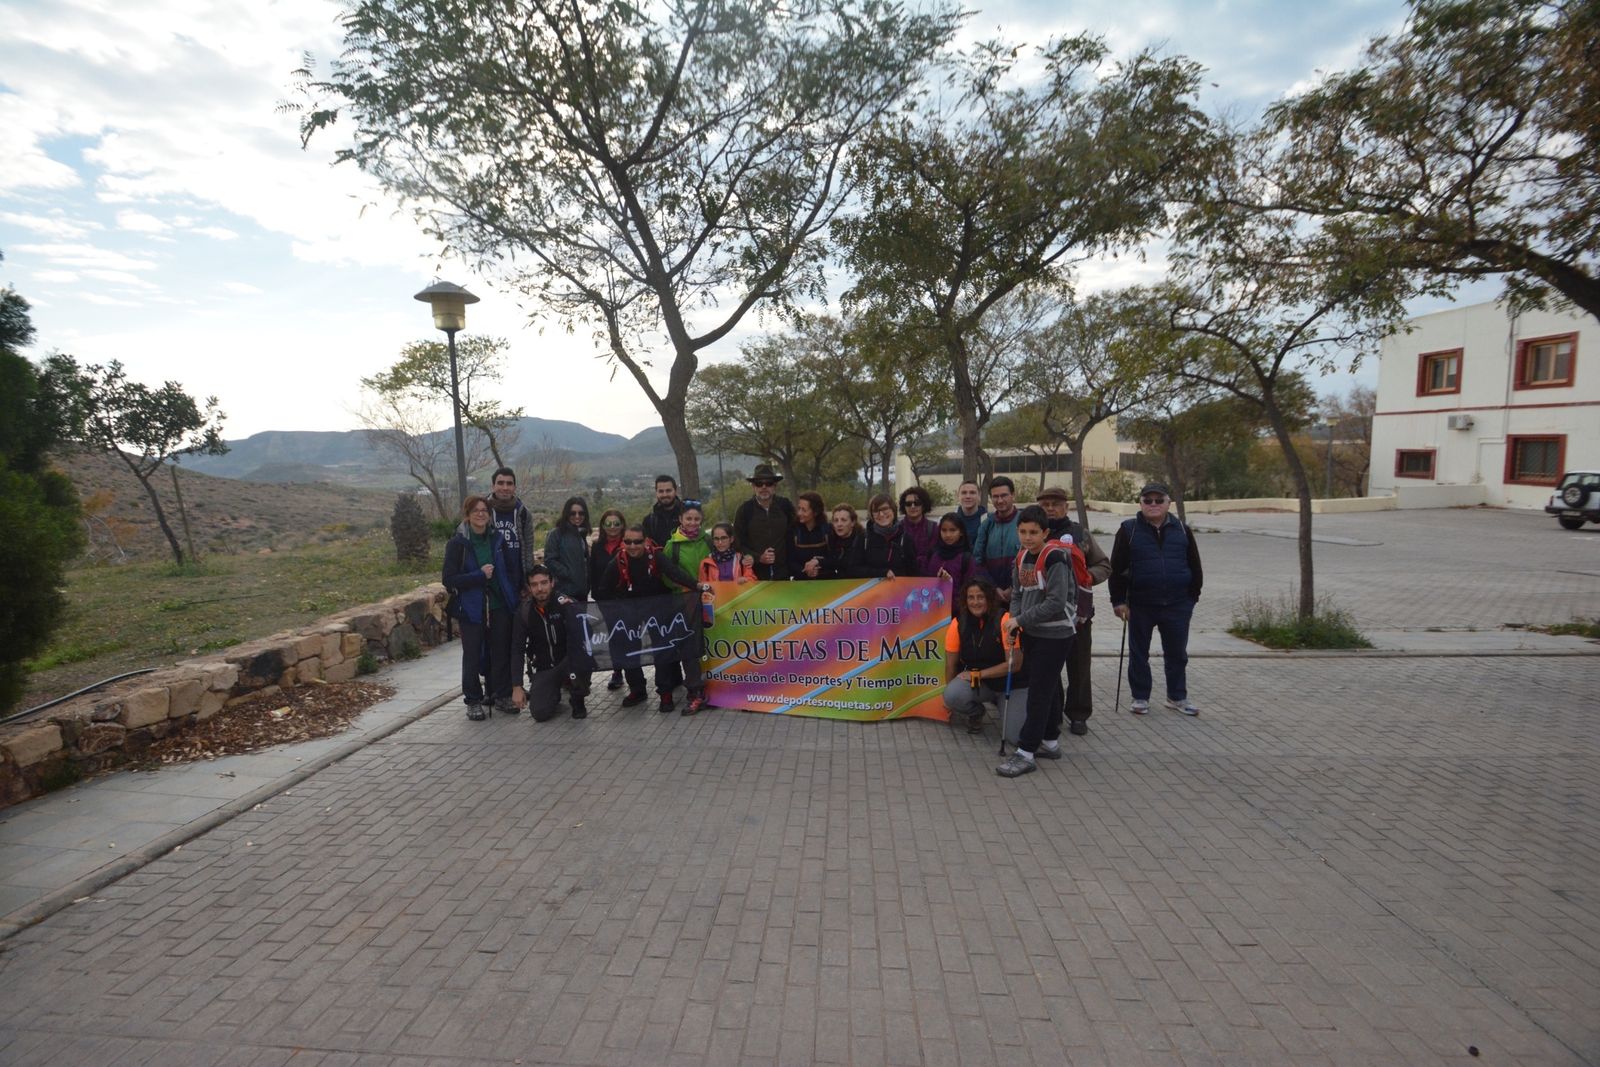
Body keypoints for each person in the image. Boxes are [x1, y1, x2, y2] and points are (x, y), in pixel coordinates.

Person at [1109, 482, 1203, 717]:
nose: (1153, 504)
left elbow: (1195, 564)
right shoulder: (1128, 529)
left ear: (1168, 503)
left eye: (1158, 500)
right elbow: (1117, 568)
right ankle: (1140, 697)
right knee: (1139, 653)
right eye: (1147, 500)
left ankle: (1177, 697)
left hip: (1177, 604)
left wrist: (1192, 597)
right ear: (1140, 503)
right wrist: (1118, 601)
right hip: (1140, 603)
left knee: (1177, 654)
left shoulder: (1182, 529)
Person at [996, 505, 1077, 777]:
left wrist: (1020, 621)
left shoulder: (1055, 557)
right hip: (1032, 632)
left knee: (1038, 694)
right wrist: (1015, 621)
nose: (1027, 537)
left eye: (1033, 532)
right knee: (1050, 686)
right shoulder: (1020, 558)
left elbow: (1056, 602)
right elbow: (1018, 594)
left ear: (1045, 532)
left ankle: (1026, 752)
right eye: (1022, 532)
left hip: (1056, 634)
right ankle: (1051, 741)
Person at [600, 523, 707, 714]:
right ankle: (637, 690)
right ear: (623, 542)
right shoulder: (617, 561)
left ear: (645, 541)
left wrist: (697, 586)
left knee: (662, 650)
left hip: (657, 609)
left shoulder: (656, 556)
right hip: (630, 610)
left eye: (637, 542)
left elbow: (675, 573)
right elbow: (603, 590)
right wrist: (613, 611)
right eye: (628, 542)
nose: (633, 546)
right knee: (630, 650)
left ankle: (665, 694)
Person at [1037, 485, 1111, 736]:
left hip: (1078, 615)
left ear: (1065, 506)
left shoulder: (1081, 534)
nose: (1050, 509)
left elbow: (1104, 565)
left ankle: (1079, 714)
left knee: (1079, 666)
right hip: (1047, 614)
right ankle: (1053, 711)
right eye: (1045, 505)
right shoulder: (1037, 534)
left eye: (1055, 504)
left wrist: (1087, 576)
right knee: (1049, 667)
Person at [443, 495, 519, 721]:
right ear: (467, 514)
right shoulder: (458, 544)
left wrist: (511, 594)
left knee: (500, 652)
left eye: (484, 510)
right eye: (475, 510)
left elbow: (509, 569)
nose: (481, 513)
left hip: (498, 604)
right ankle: (473, 700)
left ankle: (501, 695)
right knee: (473, 655)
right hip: (472, 608)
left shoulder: (496, 538)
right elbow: (449, 579)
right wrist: (478, 575)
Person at [942, 577, 1023, 734]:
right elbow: (950, 665)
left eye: (980, 597)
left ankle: (1006, 704)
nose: (975, 602)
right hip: (981, 682)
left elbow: (1014, 664)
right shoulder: (958, 623)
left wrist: (978, 674)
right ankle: (976, 712)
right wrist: (950, 699)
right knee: (952, 694)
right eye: (971, 597)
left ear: (989, 598)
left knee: (1016, 736)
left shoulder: (1005, 619)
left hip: (1010, 683)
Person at [510, 565, 589, 721]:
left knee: (582, 657)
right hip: (544, 666)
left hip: (569, 661)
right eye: (534, 584)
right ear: (529, 588)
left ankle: (577, 698)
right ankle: (553, 693)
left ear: (552, 583)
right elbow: (517, 649)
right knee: (539, 713)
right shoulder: (524, 612)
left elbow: (587, 635)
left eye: (544, 583)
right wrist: (516, 686)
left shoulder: (566, 604)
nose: (540, 588)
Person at [657, 501, 712, 702]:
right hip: (685, 600)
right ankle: (694, 687)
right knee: (690, 644)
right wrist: (683, 589)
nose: (693, 523)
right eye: (688, 518)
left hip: (710, 597)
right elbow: (666, 575)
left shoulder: (708, 540)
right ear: (680, 519)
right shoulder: (673, 546)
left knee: (710, 639)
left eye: (697, 519)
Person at [588, 507, 628, 691]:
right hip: (605, 600)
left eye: (616, 524)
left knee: (630, 636)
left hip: (626, 599)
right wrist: (597, 594)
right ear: (603, 526)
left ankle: (634, 672)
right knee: (614, 636)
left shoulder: (629, 543)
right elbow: (593, 572)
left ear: (622, 525)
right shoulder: (597, 547)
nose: (612, 527)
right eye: (608, 524)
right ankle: (617, 671)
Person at [733, 464, 796, 579]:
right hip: (755, 575)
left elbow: (795, 533)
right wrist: (758, 558)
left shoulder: (785, 505)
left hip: (783, 573)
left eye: (768, 483)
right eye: (759, 483)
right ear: (753, 486)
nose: (764, 487)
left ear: (775, 485)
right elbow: (738, 543)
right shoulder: (745, 510)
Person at [971, 476, 1021, 602]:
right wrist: (993, 587)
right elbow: (977, 560)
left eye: (1004, 495)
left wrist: (1014, 587)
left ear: (1013, 495)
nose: (999, 500)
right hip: (992, 596)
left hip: (1021, 595)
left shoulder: (1024, 521)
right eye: (995, 496)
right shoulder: (986, 524)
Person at [849, 494, 915, 578]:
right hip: (871, 589)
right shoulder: (863, 538)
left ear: (893, 510)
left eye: (884, 509)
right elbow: (853, 570)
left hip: (898, 588)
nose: (881, 514)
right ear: (872, 515)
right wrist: (882, 573)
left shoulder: (905, 538)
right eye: (876, 511)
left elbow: (912, 572)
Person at [543, 495, 592, 601]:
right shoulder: (556, 534)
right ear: (566, 514)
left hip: (582, 593)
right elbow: (549, 560)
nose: (577, 516)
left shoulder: (581, 534)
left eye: (581, 513)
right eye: (573, 513)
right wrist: (569, 574)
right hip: (565, 592)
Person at [927, 512, 977, 608]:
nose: (948, 535)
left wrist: (949, 583)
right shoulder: (933, 554)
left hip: (957, 612)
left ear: (961, 532)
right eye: (944, 530)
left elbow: (970, 590)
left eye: (952, 530)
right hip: (933, 610)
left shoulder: (966, 558)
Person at [898, 486, 940, 575]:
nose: (913, 506)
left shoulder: (934, 528)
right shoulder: (897, 529)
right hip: (902, 578)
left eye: (917, 503)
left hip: (927, 578)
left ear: (924, 504)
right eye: (908, 504)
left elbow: (936, 556)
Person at [789, 491, 830, 579]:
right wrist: (806, 571)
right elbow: (790, 561)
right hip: (801, 581)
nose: (799, 513)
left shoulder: (827, 530)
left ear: (815, 512)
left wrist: (818, 566)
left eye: (804, 510)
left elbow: (833, 558)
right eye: (799, 508)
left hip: (825, 581)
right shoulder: (793, 531)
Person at [641, 474, 685, 547]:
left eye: (668, 491)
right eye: (661, 491)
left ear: (675, 491)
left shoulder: (687, 516)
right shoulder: (650, 521)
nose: (665, 494)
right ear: (656, 492)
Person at [820, 504, 862, 579]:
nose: (839, 524)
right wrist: (818, 561)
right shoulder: (831, 540)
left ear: (853, 522)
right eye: (836, 520)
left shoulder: (863, 540)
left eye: (843, 520)